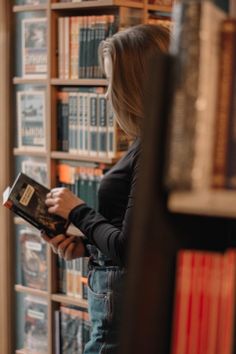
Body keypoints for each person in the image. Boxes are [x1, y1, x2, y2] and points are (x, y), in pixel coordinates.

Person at [41, 24, 170, 354]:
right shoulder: (148, 142)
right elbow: (143, 237)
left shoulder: (154, 149)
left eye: (112, 81)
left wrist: (77, 211)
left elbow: (131, 248)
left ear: (134, 84)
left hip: (123, 306)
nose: (109, 92)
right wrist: (87, 246)